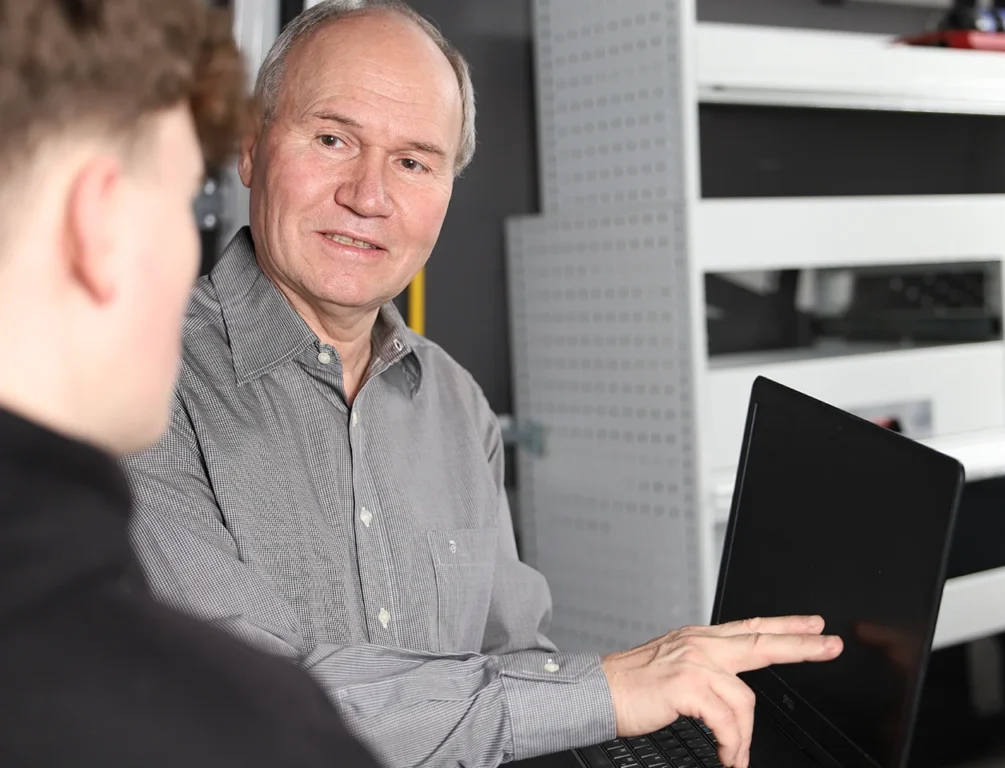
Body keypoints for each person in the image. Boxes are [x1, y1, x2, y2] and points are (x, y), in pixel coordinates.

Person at [120, 2, 844, 767]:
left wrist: (635, 698)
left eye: (413, 162)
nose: (369, 196)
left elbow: (514, 664)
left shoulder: (455, 404)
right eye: (333, 140)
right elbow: (244, 703)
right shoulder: (134, 383)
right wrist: (604, 690)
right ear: (250, 146)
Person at [0, 1, 383, 765]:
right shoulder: (251, 733)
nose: (368, 197)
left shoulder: (456, 408)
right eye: (182, 200)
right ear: (101, 226)